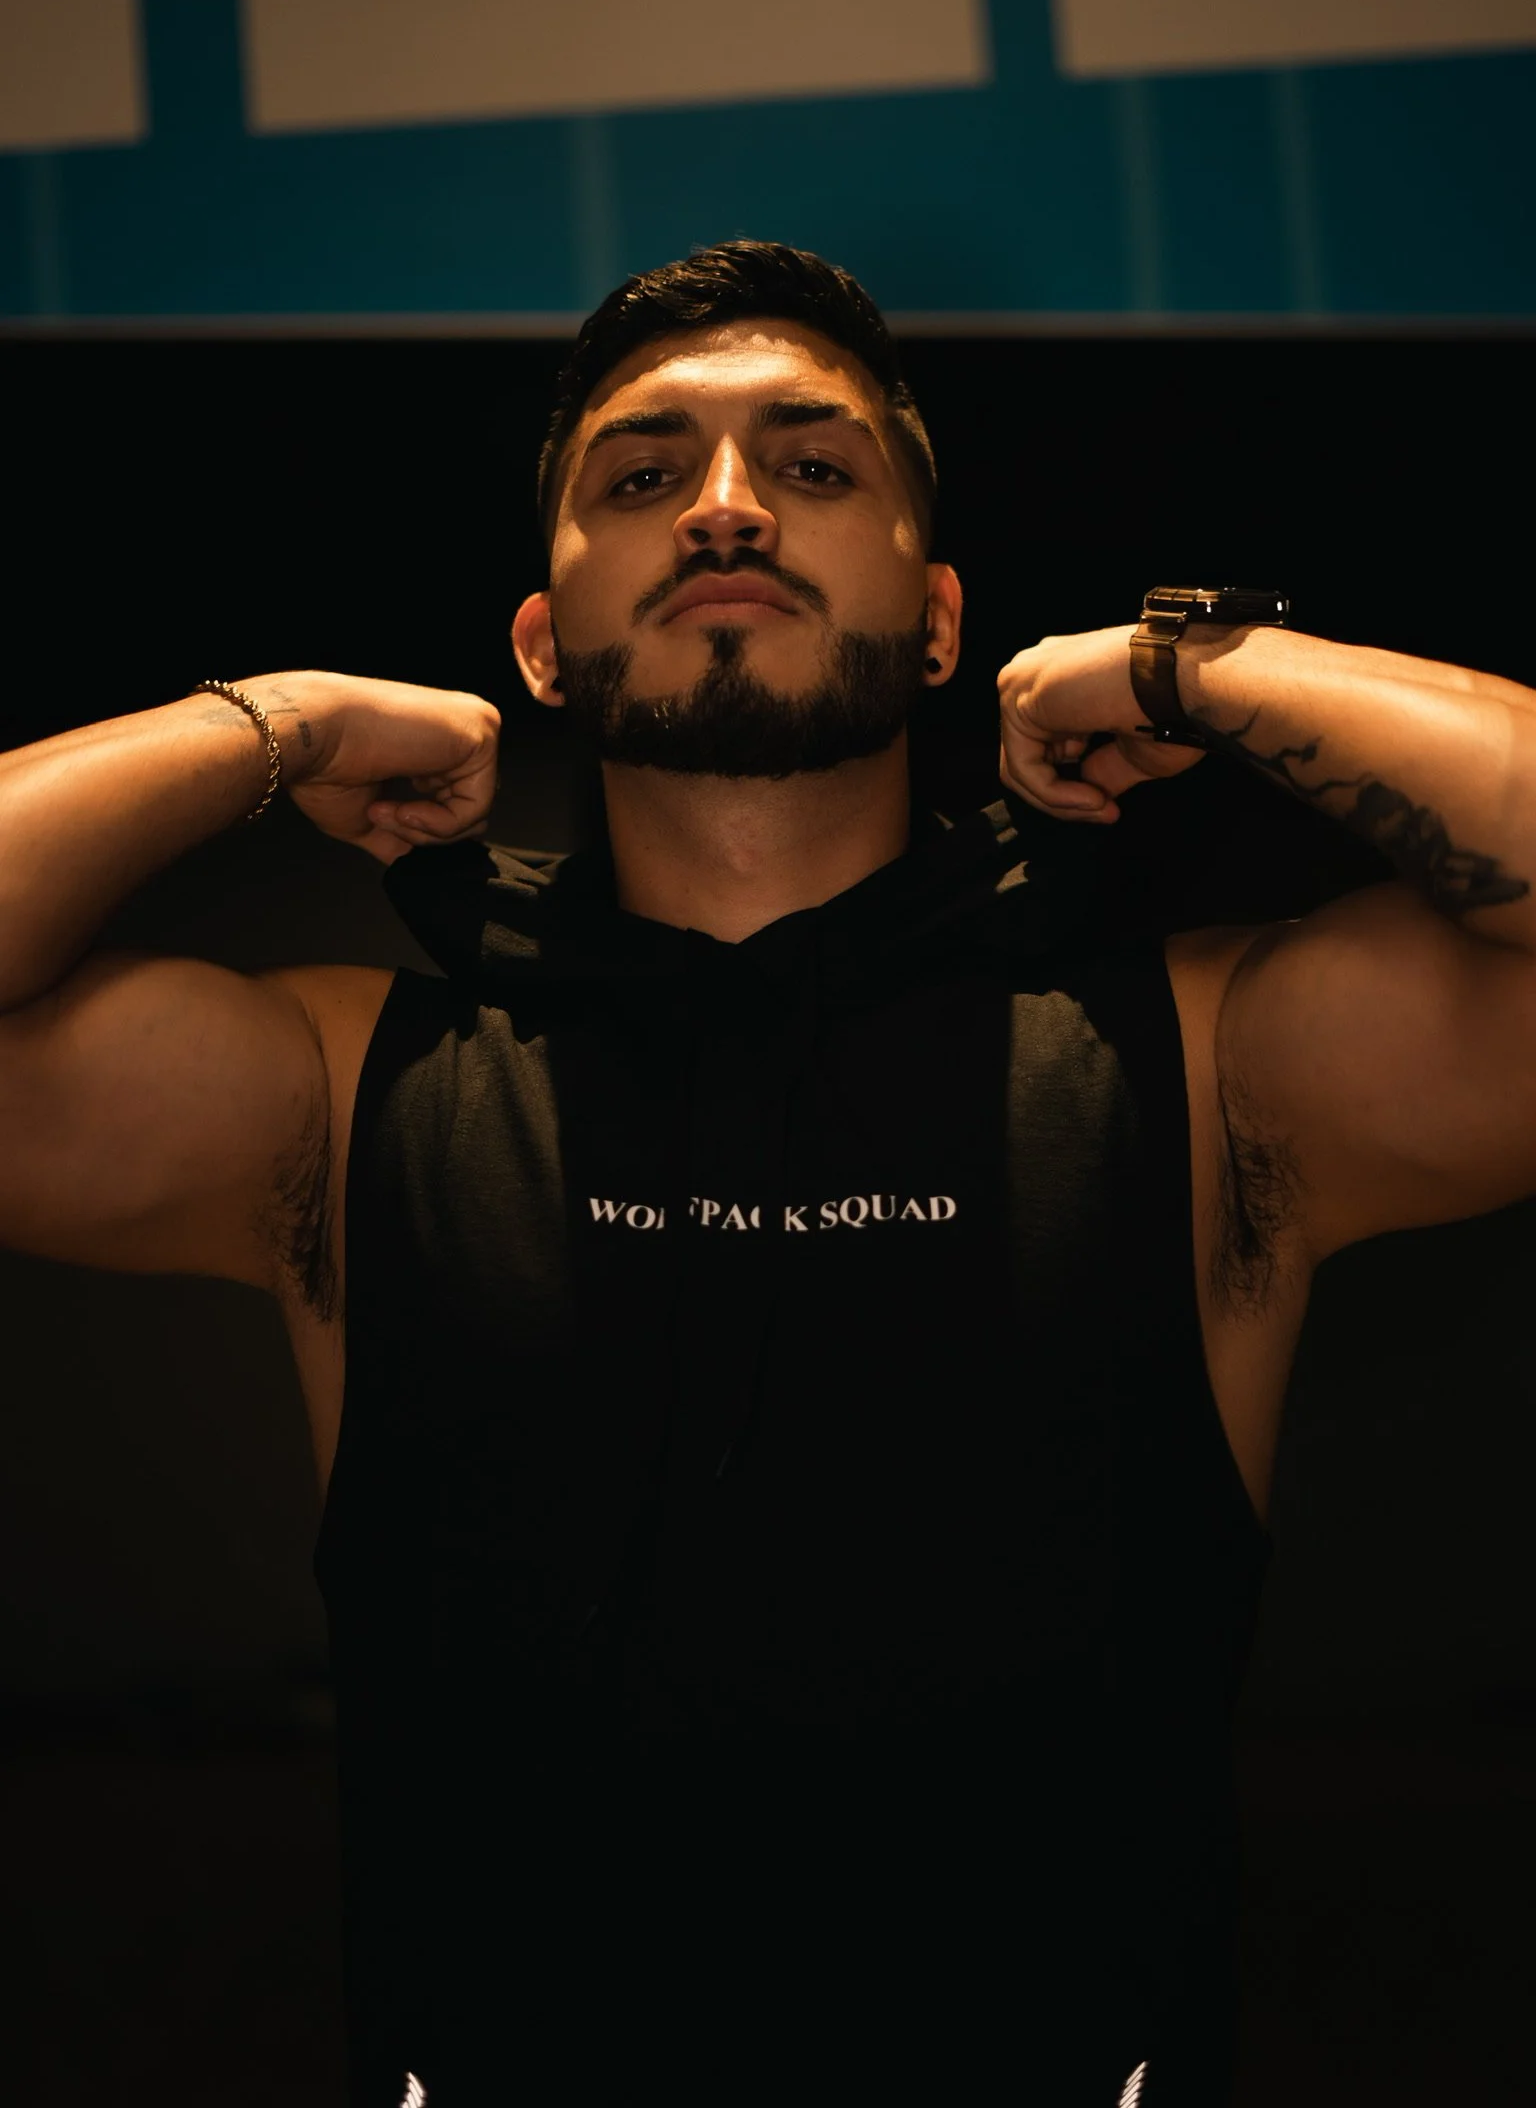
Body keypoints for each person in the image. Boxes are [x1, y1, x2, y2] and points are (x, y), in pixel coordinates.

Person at [1, 242, 1532, 2108]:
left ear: (945, 623)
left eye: (812, 467)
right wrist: (277, 724)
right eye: (645, 475)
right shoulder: (344, 1088)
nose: (725, 509)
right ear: (541, 644)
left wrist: (1194, 665)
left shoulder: (1209, 1064)